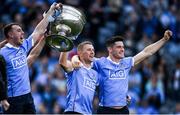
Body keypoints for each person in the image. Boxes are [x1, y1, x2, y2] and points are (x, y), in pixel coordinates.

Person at [72, 30, 173, 114]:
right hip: (106, 110)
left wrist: (163, 39)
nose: (122, 49)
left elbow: (147, 52)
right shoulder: (101, 62)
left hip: (124, 110)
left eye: (123, 47)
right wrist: (75, 60)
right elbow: (81, 57)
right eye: (119, 47)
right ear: (110, 49)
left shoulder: (127, 62)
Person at [0, 2, 62, 114]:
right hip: (13, 99)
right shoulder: (2, 53)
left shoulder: (23, 46)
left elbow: (38, 31)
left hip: (28, 96)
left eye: (22, 30)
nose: (23, 32)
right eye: (18, 30)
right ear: (10, 35)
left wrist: (51, 11)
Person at [59, 41, 99, 114]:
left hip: (88, 113)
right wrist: (66, 42)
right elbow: (62, 62)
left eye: (93, 50)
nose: (92, 52)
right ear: (80, 53)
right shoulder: (75, 67)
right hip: (74, 111)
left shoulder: (95, 74)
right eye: (89, 50)